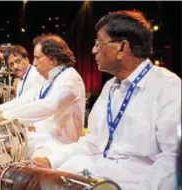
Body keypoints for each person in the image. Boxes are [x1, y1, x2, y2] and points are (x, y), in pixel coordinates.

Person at [33, 10, 181, 190]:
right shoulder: (110, 86)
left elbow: (171, 159)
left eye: (99, 42)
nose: (94, 49)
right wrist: (50, 161)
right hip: (99, 172)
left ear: (122, 47)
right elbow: (93, 142)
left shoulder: (168, 87)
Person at [0, 34, 86, 158]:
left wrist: (1, 116)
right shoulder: (51, 79)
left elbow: (47, 106)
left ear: (52, 59)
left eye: (37, 58)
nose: (34, 63)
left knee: (3, 151)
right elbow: (24, 101)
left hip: (59, 146)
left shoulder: (69, 78)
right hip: (43, 139)